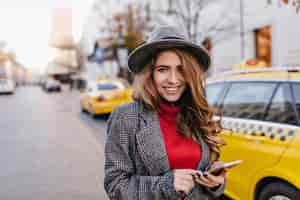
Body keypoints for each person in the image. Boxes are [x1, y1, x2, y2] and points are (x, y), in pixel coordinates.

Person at [104, 24, 226, 200]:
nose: (173, 80)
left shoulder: (196, 113)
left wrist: (215, 182)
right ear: (150, 73)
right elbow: (115, 185)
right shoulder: (126, 117)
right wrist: (166, 185)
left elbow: (203, 181)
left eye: (181, 70)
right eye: (163, 70)